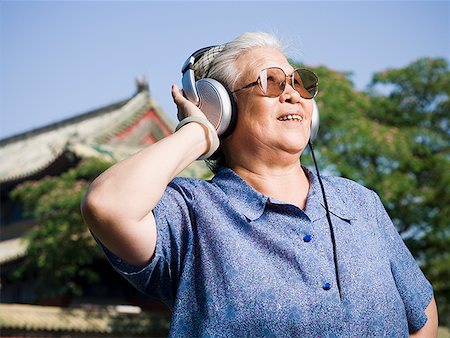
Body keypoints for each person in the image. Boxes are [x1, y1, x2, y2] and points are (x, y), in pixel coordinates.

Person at [81, 32, 438, 337]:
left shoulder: (360, 203)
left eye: (299, 82)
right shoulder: (190, 212)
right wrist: (199, 131)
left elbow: (421, 311)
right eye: (271, 81)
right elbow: (107, 205)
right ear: (221, 107)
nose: (293, 94)